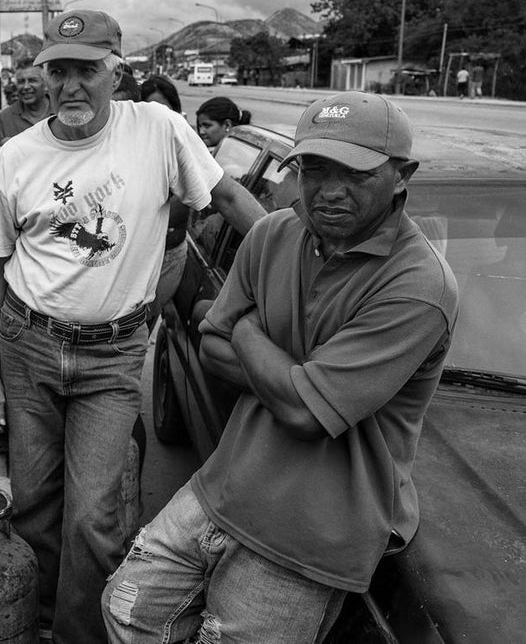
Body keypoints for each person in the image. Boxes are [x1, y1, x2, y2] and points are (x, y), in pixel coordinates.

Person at [102, 91, 459, 644]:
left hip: (315, 527)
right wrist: (298, 380)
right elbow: (211, 346)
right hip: (225, 482)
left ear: (401, 174)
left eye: (354, 173)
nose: (329, 191)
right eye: (314, 168)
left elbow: (296, 407)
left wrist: (245, 330)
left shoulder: (418, 285)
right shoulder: (273, 234)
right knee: (128, 608)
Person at [0, 9, 266, 644]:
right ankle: (40, 624)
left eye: (88, 71)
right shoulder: (18, 155)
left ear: (117, 73)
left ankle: (78, 634)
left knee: (94, 519)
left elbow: (231, 200)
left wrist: (295, 256)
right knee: (34, 509)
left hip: (112, 356)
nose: (72, 86)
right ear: (44, 78)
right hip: (27, 347)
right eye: (59, 72)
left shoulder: (156, 129)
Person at [139, 76, 190, 318]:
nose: (162, 119)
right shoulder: (131, 150)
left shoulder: (186, 146)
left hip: (170, 256)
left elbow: (185, 205)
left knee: (145, 322)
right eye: (153, 111)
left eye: (167, 111)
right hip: (138, 261)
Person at [0, 60, 51, 146]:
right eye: (21, 82)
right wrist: (6, 147)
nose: (26, 87)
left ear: (45, 83)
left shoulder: (59, 113)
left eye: (32, 80)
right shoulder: (6, 117)